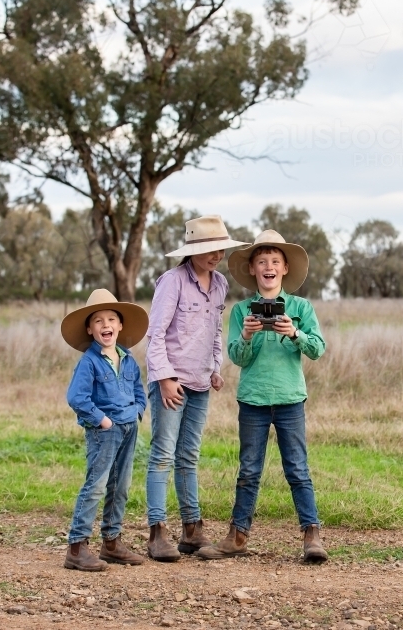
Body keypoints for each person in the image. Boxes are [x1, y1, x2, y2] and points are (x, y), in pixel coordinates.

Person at [197, 230, 329, 563]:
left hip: (290, 399)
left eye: (274, 261)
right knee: (249, 471)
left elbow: (318, 349)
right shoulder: (242, 311)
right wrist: (246, 335)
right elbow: (238, 359)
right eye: (261, 262)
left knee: (297, 469)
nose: (268, 266)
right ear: (253, 269)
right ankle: (237, 536)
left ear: (285, 268)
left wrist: (295, 332)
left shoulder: (300, 308)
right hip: (253, 400)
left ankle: (311, 536)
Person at [144, 215, 248, 561]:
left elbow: (215, 331)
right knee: (163, 454)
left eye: (219, 248)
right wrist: (165, 378)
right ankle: (157, 532)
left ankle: (192, 529)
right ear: (191, 251)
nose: (216, 254)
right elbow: (155, 335)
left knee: (189, 455)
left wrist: (215, 367)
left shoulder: (219, 284)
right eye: (208, 248)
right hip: (171, 382)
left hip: (201, 381)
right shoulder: (171, 282)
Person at [60, 289, 150, 571]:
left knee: (120, 486)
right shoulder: (89, 362)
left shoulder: (127, 358)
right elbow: (77, 397)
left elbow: (139, 389)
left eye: (111, 319)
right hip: (105, 431)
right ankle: (77, 546)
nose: (105, 325)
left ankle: (111, 542)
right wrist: (102, 420)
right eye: (98, 321)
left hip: (128, 427)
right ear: (90, 328)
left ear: (120, 325)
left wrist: (137, 410)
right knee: (97, 485)